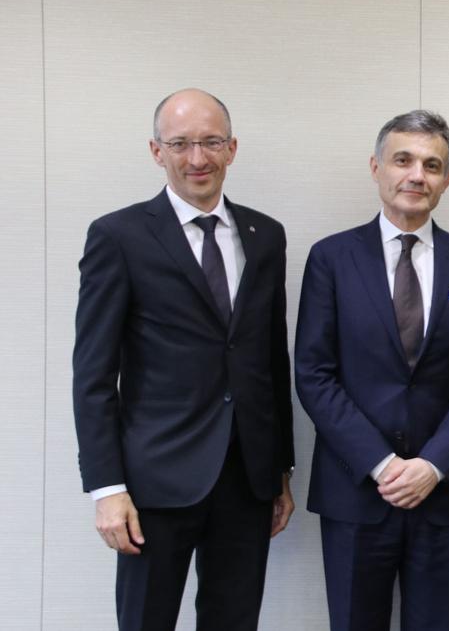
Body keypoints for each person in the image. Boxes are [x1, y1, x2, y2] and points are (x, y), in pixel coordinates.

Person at [72, 88, 295, 631]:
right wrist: (108, 489)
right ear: (156, 151)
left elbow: (270, 357)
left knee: (234, 620)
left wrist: (280, 469)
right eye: (181, 144)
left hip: (246, 478)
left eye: (211, 142)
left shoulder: (265, 236)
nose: (198, 158)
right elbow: (94, 375)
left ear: (232, 148)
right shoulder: (118, 236)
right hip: (154, 482)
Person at [294, 110, 449, 631]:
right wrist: (383, 464)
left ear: (447, 180)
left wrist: (430, 466)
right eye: (403, 160)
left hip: (440, 491)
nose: (417, 175)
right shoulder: (331, 258)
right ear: (376, 167)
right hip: (356, 489)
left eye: (432, 165)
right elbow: (314, 374)